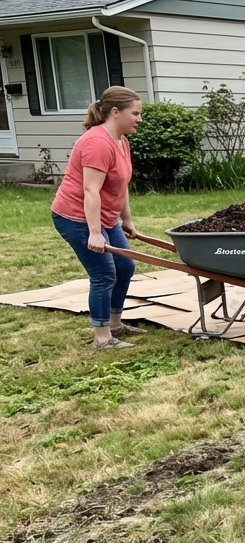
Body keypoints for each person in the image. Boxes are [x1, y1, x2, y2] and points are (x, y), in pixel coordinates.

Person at [50, 86, 144, 349]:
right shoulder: (97, 143)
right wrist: (94, 233)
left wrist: (126, 219)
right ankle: (101, 337)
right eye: (135, 113)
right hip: (75, 217)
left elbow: (120, 184)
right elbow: (90, 190)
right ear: (115, 112)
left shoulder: (120, 140)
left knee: (125, 267)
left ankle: (115, 325)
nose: (139, 119)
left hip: (104, 218)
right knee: (104, 274)